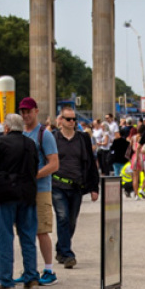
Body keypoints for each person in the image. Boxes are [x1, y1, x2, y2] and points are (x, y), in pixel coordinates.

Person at [0, 113, 39, 289]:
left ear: (6, 128)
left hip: (5, 194)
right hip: (27, 194)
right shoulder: (30, 144)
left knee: (4, 237)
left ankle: (6, 280)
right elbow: (35, 167)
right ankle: (31, 278)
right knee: (28, 237)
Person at [49, 105, 100, 272]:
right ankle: (68, 254)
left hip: (77, 185)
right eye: (69, 119)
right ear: (61, 120)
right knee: (62, 217)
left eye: (74, 119)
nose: (72, 122)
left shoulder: (83, 138)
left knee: (71, 221)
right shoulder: (53, 138)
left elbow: (91, 163)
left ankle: (60, 249)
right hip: (57, 184)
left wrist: (94, 187)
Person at [18, 98, 61, 275]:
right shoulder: (20, 133)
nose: (25, 115)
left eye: (28, 111)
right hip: (23, 189)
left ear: (36, 111)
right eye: (23, 111)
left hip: (41, 189)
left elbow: (54, 164)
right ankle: (29, 269)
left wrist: (33, 176)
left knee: (41, 231)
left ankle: (49, 270)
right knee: (25, 231)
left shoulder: (45, 134)